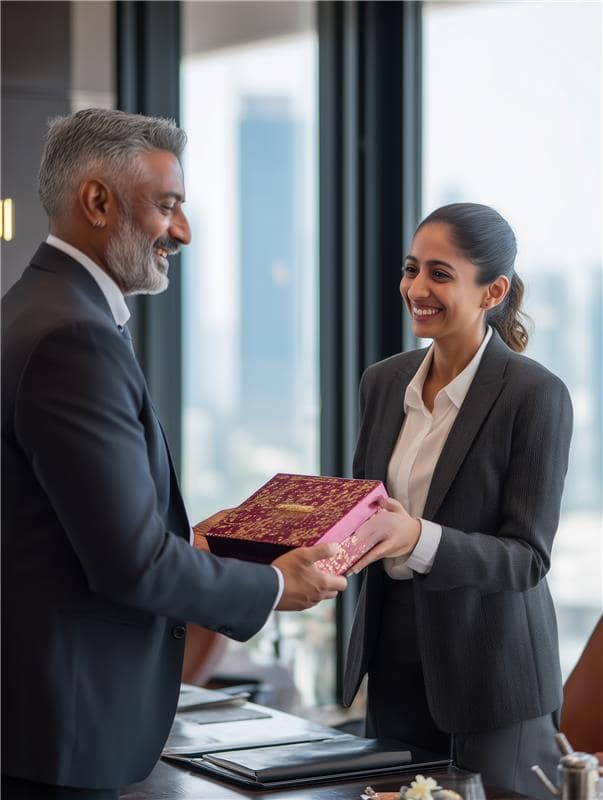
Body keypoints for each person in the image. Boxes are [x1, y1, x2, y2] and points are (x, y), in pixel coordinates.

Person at [1, 108, 346, 799]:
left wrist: (192, 541)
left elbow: (62, 530)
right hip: (62, 736)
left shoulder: (31, 309)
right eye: (168, 206)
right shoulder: (75, 337)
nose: (182, 232)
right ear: (97, 201)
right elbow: (130, 564)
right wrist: (278, 586)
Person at [343, 203, 573, 799]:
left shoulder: (535, 395)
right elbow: (363, 504)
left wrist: (417, 537)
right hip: (391, 667)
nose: (416, 288)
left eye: (440, 274)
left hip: (494, 682)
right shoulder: (383, 382)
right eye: (411, 268)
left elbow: (527, 557)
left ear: (492, 290)